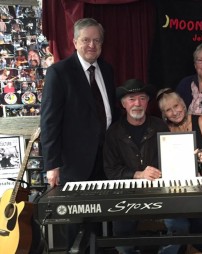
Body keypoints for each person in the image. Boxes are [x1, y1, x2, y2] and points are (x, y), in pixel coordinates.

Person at [40, 18, 116, 251]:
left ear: (102, 44)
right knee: (77, 226)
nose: (91, 45)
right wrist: (52, 164)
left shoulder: (108, 70)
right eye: (86, 40)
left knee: (105, 222)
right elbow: (49, 122)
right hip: (74, 164)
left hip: (107, 161)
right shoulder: (59, 72)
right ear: (74, 42)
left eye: (96, 40)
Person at [103, 79, 169, 254]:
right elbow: (111, 170)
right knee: (122, 232)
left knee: (179, 224)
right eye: (132, 99)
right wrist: (137, 174)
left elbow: (170, 159)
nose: (137, 103)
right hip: (126, 194)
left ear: (147, 102)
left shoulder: (160, 126)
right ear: (124, 104)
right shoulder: (113, 133)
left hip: (159, 191)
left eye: (142, 98)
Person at [156, 88, 202, 254]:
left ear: (183, 104)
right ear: (164, 114)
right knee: (174, 213)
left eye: (176, 106)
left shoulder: (201, 121)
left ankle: (195, 248)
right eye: (168, 110)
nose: (174, 112)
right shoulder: (163, 129)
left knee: (200, 215)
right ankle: (179, 247)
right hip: (177, 183)